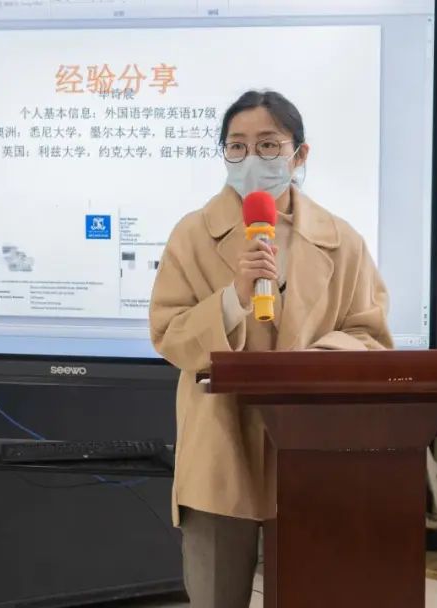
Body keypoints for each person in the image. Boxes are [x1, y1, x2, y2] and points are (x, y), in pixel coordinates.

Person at [148, 90, 394, 607]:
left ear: (299, 155)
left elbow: (370, 336)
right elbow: (168, 333)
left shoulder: (342, 241)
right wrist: (233, 300)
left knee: (309, 592)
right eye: (236, 146)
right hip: (220, 444)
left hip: (311, 445)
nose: (250, 159)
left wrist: (311, 366)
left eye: (267, 145)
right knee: (216, 594)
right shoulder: (192, 236)